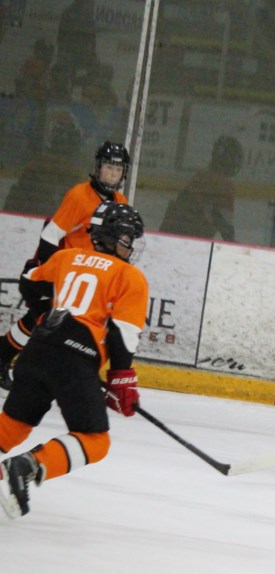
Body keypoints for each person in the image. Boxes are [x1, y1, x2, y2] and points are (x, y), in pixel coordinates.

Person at [0, 202, 148, 519]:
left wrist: (44, 307)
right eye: (127, 238)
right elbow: (123, 335)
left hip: (38, 348)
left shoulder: (66, 257)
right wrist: (122, 378)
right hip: (76, 357)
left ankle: (13, 466)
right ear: (112, 236)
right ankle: (29, 465)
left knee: (13, 426)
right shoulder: (129, 275)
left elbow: (29, 282)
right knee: (95, 441)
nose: (131, 245)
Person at [0, 140, 130, 393]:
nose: (112, 174)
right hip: (63, 268)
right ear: (98, 167)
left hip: (88, 272)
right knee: (44, 317)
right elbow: (51, 234)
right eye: (108, 168)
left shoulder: (120, 200)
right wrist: (47, 274)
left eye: (117, 170)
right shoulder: (79, 196)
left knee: (58, 321)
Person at [160, 135, 242, 241]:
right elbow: (224, 224)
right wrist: (233, 244)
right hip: (188, 239)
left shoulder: (200, 176)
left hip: (170, 235)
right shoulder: (223, 185)